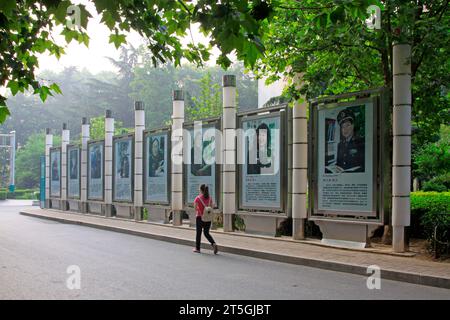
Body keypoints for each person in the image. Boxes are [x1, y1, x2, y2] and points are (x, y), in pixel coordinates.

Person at [335, 108, 365, 173]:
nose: (345, 129)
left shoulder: (361, 142)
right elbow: (339, 163)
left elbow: (365, 166)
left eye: (347, 125)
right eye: (342, 127)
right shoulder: (340, 145)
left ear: (353, 126)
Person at [193, 184, 218, 254]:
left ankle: (197, 249)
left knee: (199, 233)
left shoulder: (197, 198)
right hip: (208, 218)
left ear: (201, 190)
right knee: (206, 233)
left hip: (200, 218)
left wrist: (200, 210)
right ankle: (213, 243)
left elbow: (195, 208)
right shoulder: (210, 198)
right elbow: (211, 207)